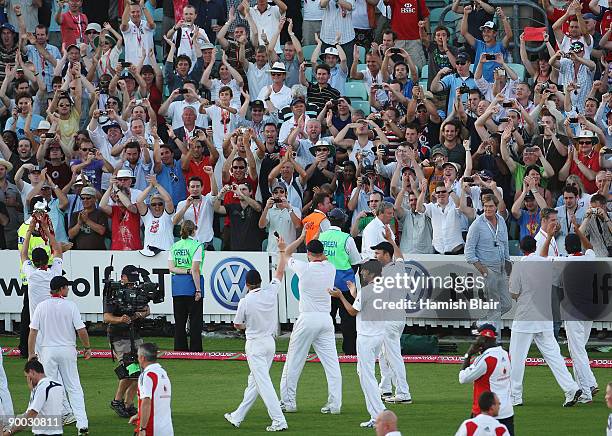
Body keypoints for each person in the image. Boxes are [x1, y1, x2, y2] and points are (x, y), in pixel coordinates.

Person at [508, 235, 582, 408]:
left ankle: (515, 396)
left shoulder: (519, 266)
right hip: (544, 317)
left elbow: (514, 293)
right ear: (535, 247)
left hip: (525, 317)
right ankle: (571, 388)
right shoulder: (547, 264)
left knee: (517, 358)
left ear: (521, 249)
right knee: (554, 356)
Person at [225, 235, 289, 432]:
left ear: (246, 284)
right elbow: (279, 271)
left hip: (254, 344)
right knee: (255, 382)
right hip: (269, 343)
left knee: (263, 384)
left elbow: (237, 324)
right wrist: (280, 250)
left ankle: (279, 420)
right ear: (260, 281)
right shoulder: (270, 291)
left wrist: (246, 326)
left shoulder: (245, 301)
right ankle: (237, 416)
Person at [279, 231, 342, 414]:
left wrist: (300, 237)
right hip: (325, 319)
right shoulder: (331, 268)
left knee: (294, 361)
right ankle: (335, 404)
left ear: (308, 254)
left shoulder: (303, 268)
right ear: (322, 254)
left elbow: (286, 254)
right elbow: (320, 257)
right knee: (332, 364)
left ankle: (288, 402)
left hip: (307, 318)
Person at [28, 275, 91, 435]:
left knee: (50, 387)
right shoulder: (70, 306)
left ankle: (51, 424)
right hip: (67, 349)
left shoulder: (41, 306)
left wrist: (30, 354)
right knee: (74, 387)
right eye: (66, 287)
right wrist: (87, 347)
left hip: (47, 351)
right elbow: (81, 330)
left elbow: (33, 332)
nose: (68, 289)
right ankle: (82, 424)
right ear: (62, 289)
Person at [329, 260, 386, 428]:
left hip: (366, 337)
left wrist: (341, 296)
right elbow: (364, 304)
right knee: (365, 373)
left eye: (364, 271)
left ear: (371, 273)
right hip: (378, 335)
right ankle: (377, 412)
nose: (361, 273)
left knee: (366, 376)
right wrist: (354, 293)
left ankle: (378, 415)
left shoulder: (367, 291)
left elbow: (353, 311)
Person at [103, 265, 151, 418]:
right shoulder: (113, 292)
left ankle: (128, 404)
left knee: (140, 371)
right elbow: (106, 317)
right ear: (123, 278)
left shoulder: (138, 292)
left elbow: (147, 309)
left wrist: (138, 315)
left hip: (134, 334)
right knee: (130, 369)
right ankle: (117, 401)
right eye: (130, 282)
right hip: (119, 336)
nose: (132, 285)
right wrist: (120, 319)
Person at [370, 234, 412, 405]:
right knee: (384, 354)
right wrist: (392, 241)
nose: (375, 256)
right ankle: (385, 388)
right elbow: (400, 257)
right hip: (397, 317)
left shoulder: (385, 274)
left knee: (392, 356)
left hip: (388, 319)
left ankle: (403, 392)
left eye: (378, 253)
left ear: (386, 255)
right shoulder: (398, 267)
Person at [465, 193, 512, 333]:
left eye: (491, 206)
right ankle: (495, 340)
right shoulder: (477, 225)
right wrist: (484, 271)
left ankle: (481, 323)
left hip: (502, 267)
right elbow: (469, 253)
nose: (488, 209)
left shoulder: (501, 221)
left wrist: (508, 267)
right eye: (485, 206)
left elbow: (505, 245)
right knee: (495, 306)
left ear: (496, 207)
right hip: (488, 269)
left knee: (507, 305)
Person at [319, 208, 361, 356]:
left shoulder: (321, 237)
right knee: (348, 320)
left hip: (325, 285)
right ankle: (350, 351)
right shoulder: (346, 238)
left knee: (325, 319)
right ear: (343, 221)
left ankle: (325, 351)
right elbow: (356, 262)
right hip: (344, 284)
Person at [458, 325, 514, 434]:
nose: (475, 341)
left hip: (487, 412)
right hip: (506, 411)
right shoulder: (505, 354)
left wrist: (468, 355)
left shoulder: (486, 359)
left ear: (484, 339)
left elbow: (462, 378)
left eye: (477, 337)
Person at [168, 220, 203, 352]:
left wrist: (184, 271)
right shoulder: (197, 246)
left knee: (180, 321)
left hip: (177, 286)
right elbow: (195, 270)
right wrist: (198, 289)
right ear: (193, 230)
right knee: (195, 320)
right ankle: (195, 350)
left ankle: (179, 349)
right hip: (192, 284)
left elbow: (171, 268)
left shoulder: (175, 246)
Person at [2, 360, 64, 436]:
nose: (28, 380)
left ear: (32, 372)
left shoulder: (42, 387)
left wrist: (10, 432)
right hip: (57, 432)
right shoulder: (58, 385)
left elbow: (31, 415)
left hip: (43, 433)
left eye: (27, 376)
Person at [128, 343, 173, 436]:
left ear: (142, 358)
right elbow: (158, 401)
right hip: (167, 429)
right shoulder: (163, 373)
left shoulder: (147, 375)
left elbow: (146, 402)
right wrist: (139, 415)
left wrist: (142, 428)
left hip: (151, 429)